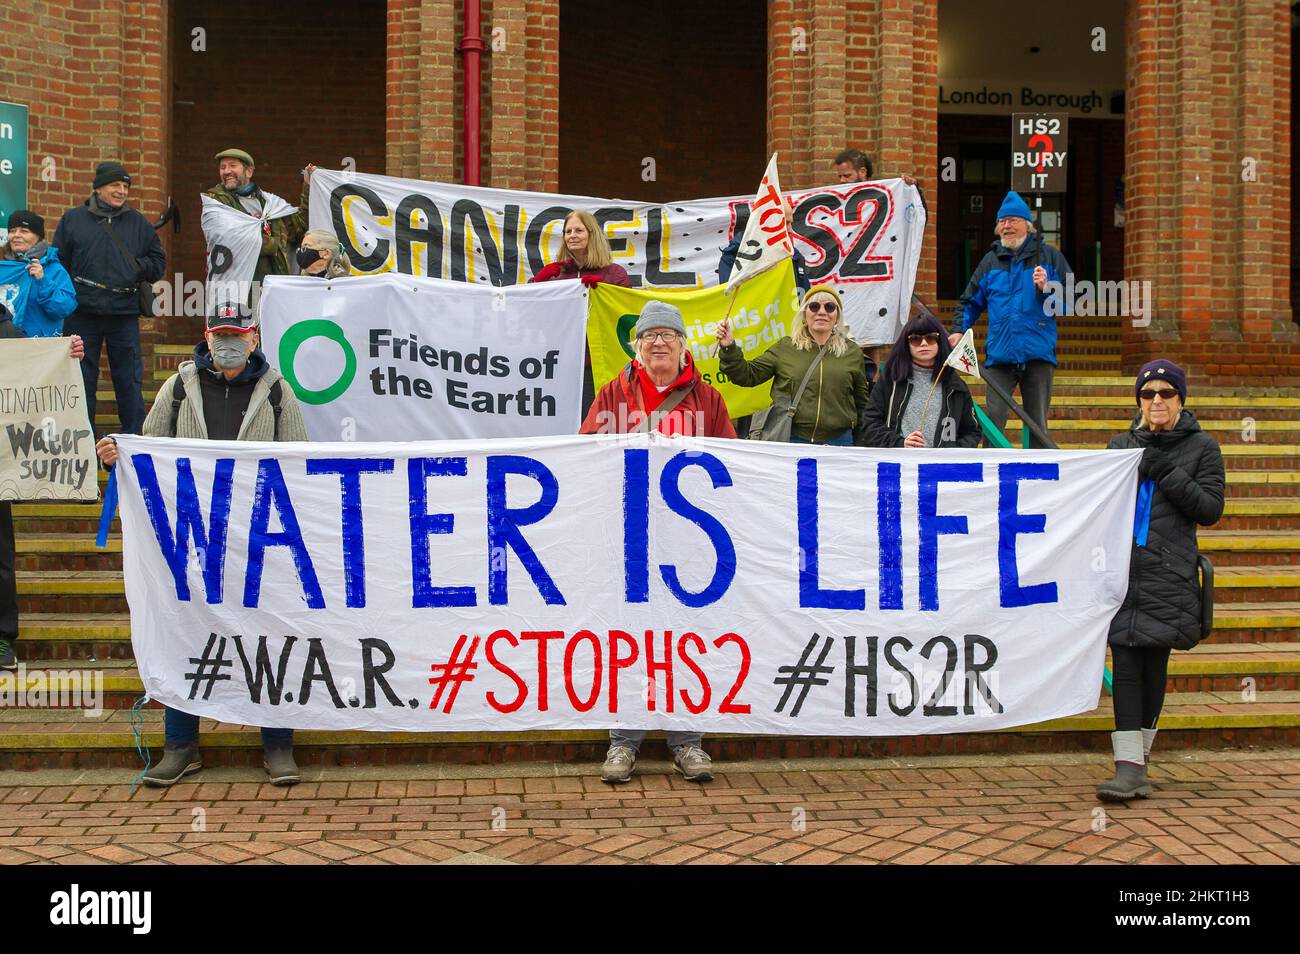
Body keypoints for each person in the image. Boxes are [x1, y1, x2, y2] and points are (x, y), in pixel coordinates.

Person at [96, 305, 309, 787]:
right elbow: (149, 450)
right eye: (219, 335)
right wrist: (117, 457)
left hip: (257, 537)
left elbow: (298, 459)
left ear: (253, 338)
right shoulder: (178, 388)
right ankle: (180, 745)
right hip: (191, 536)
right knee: (183, 631)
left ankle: (278, 745)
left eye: (236, 335)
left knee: (268, 636)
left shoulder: (276, 391)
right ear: (207, 338)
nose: (227, 343)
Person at [580, 300, 733, 784]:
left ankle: (688, 743)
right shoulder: (613, 394)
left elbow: (730, 462)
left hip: (689, 544)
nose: (659, 342)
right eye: (650, 335)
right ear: (636, 346)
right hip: (628, 539)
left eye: (669, 334)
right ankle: (623, 743)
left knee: (685, 639)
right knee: (628, 638)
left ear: (684, 345)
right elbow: (585, 453)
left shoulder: (707, 399)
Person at [1098, 361, 1224, 802]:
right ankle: (1129, 768)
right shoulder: (1119, 444)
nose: (1156, 400)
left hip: (1168, 575)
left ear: (1180, 400)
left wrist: (1164, 470)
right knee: (1127, 668)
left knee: (1154, 670)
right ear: (1138, 400)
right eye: (1148, 393)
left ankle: (1139, 762)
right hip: (1122, 573)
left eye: (1166, 393)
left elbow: (1209, 509)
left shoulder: (1203, 447)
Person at [951, 190, 1072, 449]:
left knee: (1037, 423)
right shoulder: (990, 261)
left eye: (1013, 220)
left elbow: (1072, 302)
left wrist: (1048, 288)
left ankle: (1038, 476)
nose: (1006, 226)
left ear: (1027, 225)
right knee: (993, 422)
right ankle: (992, 475)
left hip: (1038, 355)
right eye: (1002, 222)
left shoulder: (1050, 257)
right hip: (1000, 357)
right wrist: (958, 331)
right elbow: (969, 302)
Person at [55, 161, 167, 437]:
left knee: (129, 382)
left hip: (123, 313)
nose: (121, 191)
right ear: (99, 187)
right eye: (115, 185)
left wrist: (136, 268)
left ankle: (133, 441)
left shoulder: (138, 223)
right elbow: (59, 263)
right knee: (81, 381)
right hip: (81, 313)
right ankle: (82, 444)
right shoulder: (73, 220)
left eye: (125, 186)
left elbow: (158, 262)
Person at [0, 308, 84, 671]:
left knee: (0, 561)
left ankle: (3, 639)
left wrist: (65, 353)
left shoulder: (6, 329)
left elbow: (37, 362)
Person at [716, 285, 868, 445]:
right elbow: (747, 375)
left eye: (829, 307)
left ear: (837, 316)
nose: (822, 312)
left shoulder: (852, 352)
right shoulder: (786, 347)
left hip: (840, 442)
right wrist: (729, 347)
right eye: (814, 306)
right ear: (804, 314)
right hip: (792, 439)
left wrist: (863, 444)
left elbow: (862, 402)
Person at [532, 210, 632, 413]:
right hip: (559, 362)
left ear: (591, 234)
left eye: (578, 230)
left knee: (592, 421)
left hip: (596, 365)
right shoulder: (556, 273)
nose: (572, 235)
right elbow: (528, 309)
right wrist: (537, 283)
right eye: (567, 231)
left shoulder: (613, 273)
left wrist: (604, 294)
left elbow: (626, 314)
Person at [861, 312, 981, 449]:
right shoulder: (891, 380)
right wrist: (899, 443)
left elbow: (972, 431)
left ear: (939, 341)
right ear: (907, 344)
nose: (924, 343)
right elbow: (870, 422)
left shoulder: (956, 386)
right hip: (899, 465)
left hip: (940, 467)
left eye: (931, 337)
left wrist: (952, 454)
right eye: (915, 339)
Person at [204, 149, 311, 281]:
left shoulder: (270, 204)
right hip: (235, 286)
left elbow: (299, 227)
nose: (226, 171)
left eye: (232, 165)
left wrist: (309, 187)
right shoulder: (216, 202)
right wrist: (274, 244)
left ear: (249, 171)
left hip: (270, 285)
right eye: (222, 167)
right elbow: (233, 239)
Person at [0, 210, 77, 337]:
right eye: (12, 231)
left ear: (38, 237)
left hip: (37, 346)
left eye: (24, 231)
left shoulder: (53, 269)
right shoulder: (2, 265)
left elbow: (63, 309)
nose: (16, 235)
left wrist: (43, 281)